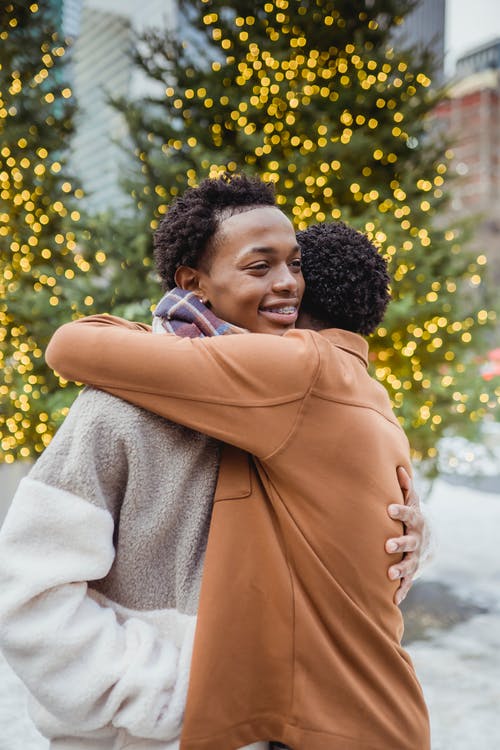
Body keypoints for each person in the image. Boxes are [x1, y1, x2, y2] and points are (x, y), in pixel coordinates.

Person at [0, 174, 426, 750]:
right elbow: (28, 593)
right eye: (259, 267)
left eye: (295, 264)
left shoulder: (296, 390)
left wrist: (413, 536)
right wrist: (176, 696)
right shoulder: (115, 408)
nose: (288, 284)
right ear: (194, 284)